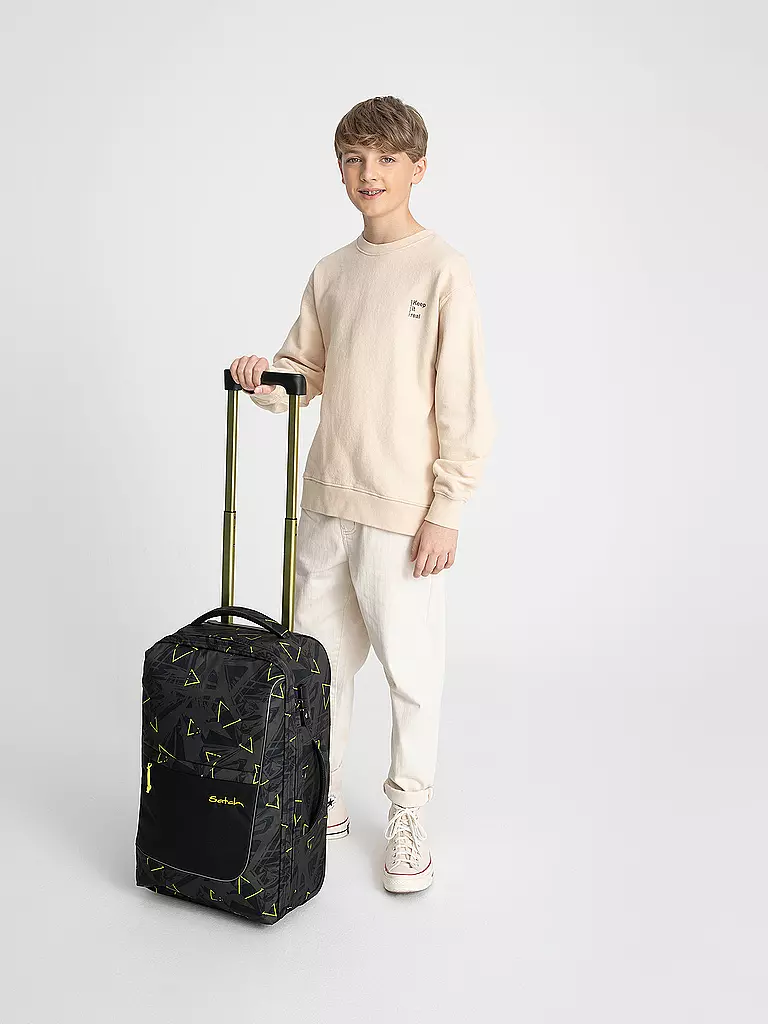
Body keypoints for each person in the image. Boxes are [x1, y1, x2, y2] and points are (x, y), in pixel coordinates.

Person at [230, 95, 496, 894]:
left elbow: (463, 401)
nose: (367, 173)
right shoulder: (332, 272)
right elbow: (303, 374)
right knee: (318, 666)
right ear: (339, 169)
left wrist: (446, 509)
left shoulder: (443, 269)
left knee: (411, 672)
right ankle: (324, 794)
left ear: (418, 168)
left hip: (400, 513)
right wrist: (262, 377)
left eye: (385, 159)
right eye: (353, 158)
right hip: (325, 501)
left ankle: (408, 811)